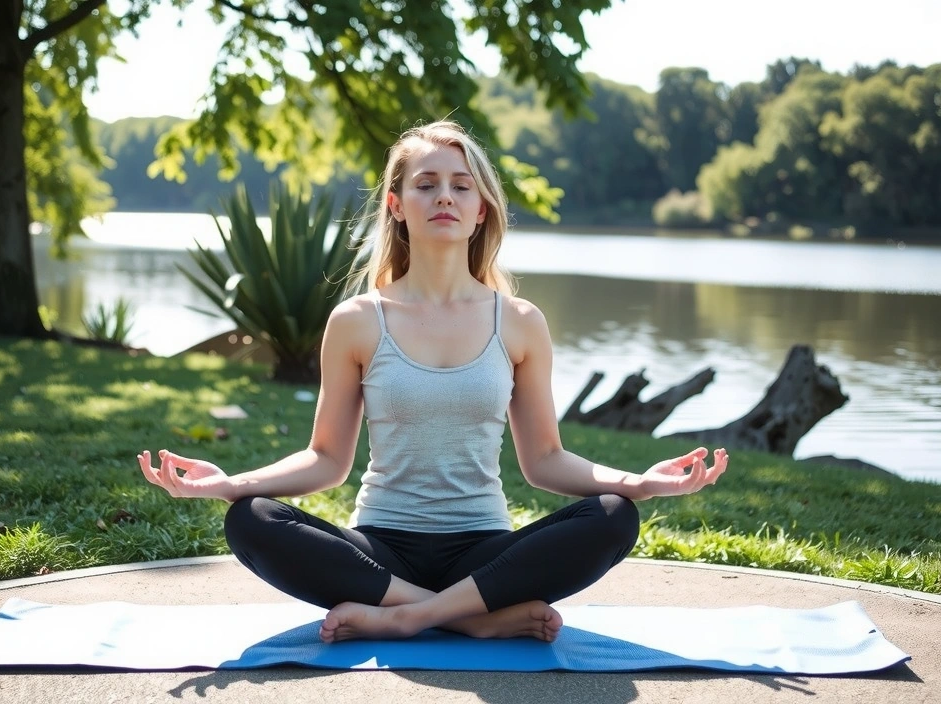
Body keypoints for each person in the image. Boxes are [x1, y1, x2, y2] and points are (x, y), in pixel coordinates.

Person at [137, 120, 728, 644]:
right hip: (381, 550)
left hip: (485, 549)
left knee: (613, 515)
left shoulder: (520, 323)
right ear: (396, 204)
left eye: (461, 185)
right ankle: (468, 618)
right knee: (250, 519)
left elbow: (545, 460)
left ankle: (406, 617)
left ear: (481, 209)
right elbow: (326, 460)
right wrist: (232, 483)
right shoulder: (358, 321)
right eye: (426, 184)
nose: (444, 195)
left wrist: (638, 483)